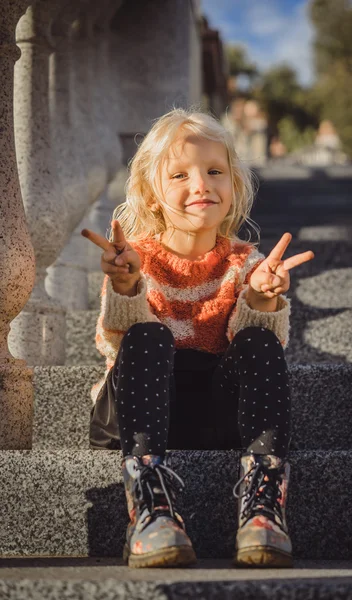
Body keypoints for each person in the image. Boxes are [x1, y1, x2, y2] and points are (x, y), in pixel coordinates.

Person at [81, 107, 314, 570]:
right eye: (181, 175)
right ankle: (148, 500)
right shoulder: (133, 260)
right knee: (148, 334)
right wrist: (128, 286)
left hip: (215, 412)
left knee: (259, 343)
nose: (201, 184)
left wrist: (261, 298)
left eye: (214, 172)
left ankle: (263, 500)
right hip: (137, 410)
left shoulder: (246, 262)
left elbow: (266, 342)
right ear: (151, 196)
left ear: (234, 187)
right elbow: (117, 341)